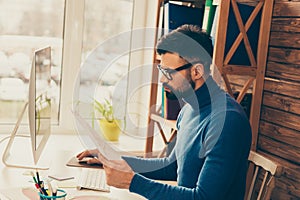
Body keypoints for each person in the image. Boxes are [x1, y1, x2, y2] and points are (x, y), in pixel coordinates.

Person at [77, 24, 252, 200]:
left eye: (168, 72)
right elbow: (171, 166)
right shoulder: (189, 110)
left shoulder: (227, 121)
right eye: (162, 70)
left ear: (197, 71)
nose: (162, 79)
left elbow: (202, 198)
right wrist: (112, 159)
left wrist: (132, 182)